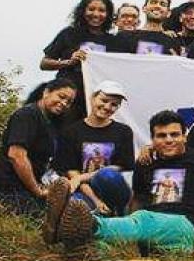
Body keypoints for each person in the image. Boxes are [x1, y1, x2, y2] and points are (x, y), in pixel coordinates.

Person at [45, 110, 194, 251]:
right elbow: (138, 200)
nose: (169, 140)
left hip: (184, 227)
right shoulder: (146, 162)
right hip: (151, 234)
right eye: (161, 135)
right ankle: (71, 240)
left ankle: (89, 224)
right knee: (103, 247)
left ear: (184, 136)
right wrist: (130, 220)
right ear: (152, 139)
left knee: (144, 220)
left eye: (174, 134)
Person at [48, 80, 134, 245]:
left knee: (107, 174)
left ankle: (120, 216)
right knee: (76, 205)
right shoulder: (71, 132)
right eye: (104, 100)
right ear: (93, 98)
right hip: (85, 191)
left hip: (113, 188)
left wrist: (82, 177)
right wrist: (96, 200)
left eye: (114, 104)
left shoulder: (123, 132)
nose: (108, 107)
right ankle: (73, 233)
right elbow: (73, 173)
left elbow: (120, 166)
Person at [0, 78, 77, 217]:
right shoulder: (26, 115)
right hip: (8, 185)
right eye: (61, 96)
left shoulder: (51, 122)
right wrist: (37, 191)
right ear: (46, 92)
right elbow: (16, 156)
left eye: (69, 102)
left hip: (29, 186)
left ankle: (7, 211)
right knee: (41, 220)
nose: (64, 103)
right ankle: (0, 212)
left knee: (63, 213)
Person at [40, 0, 117, 121]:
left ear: (108, 15)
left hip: (98, 100)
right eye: (91, 9)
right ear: (83, 11)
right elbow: (44, 64)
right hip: (67, 99)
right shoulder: (69, 33)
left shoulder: (113, 41)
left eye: (102, 10)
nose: (96, 14)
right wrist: (69, 62)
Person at [115, 0, 181, 55]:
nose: (157, 6)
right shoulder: (124, 36)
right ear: (144, 8)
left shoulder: (174, 41)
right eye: (153, 2)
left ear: (168, 13)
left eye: (163, 4)